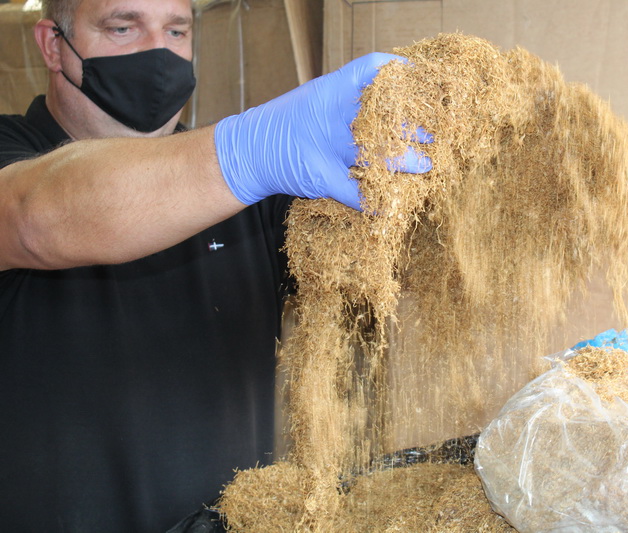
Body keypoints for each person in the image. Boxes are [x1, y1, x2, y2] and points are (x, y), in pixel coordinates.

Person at [0, 0, 431, 531]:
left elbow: (391, 269)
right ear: (52, 45)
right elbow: (32, 217)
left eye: (176, 30)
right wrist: (246, 154)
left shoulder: (243, 186)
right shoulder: (15, 157)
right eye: (123, 27)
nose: (158, 53)